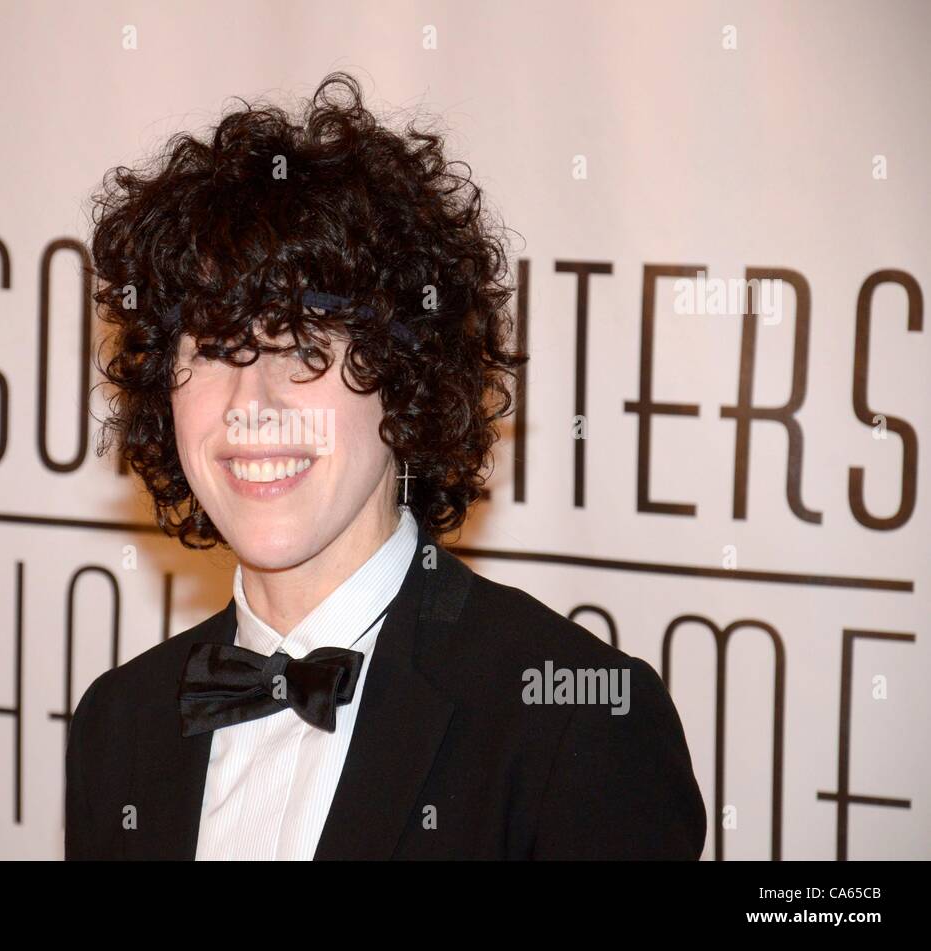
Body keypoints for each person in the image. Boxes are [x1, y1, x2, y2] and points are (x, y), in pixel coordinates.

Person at [67, 72, 706, 860]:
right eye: (213, 348)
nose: (250, 403)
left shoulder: (572, 727)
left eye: (304, 347)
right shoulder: (119, 724)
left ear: (406, 379)